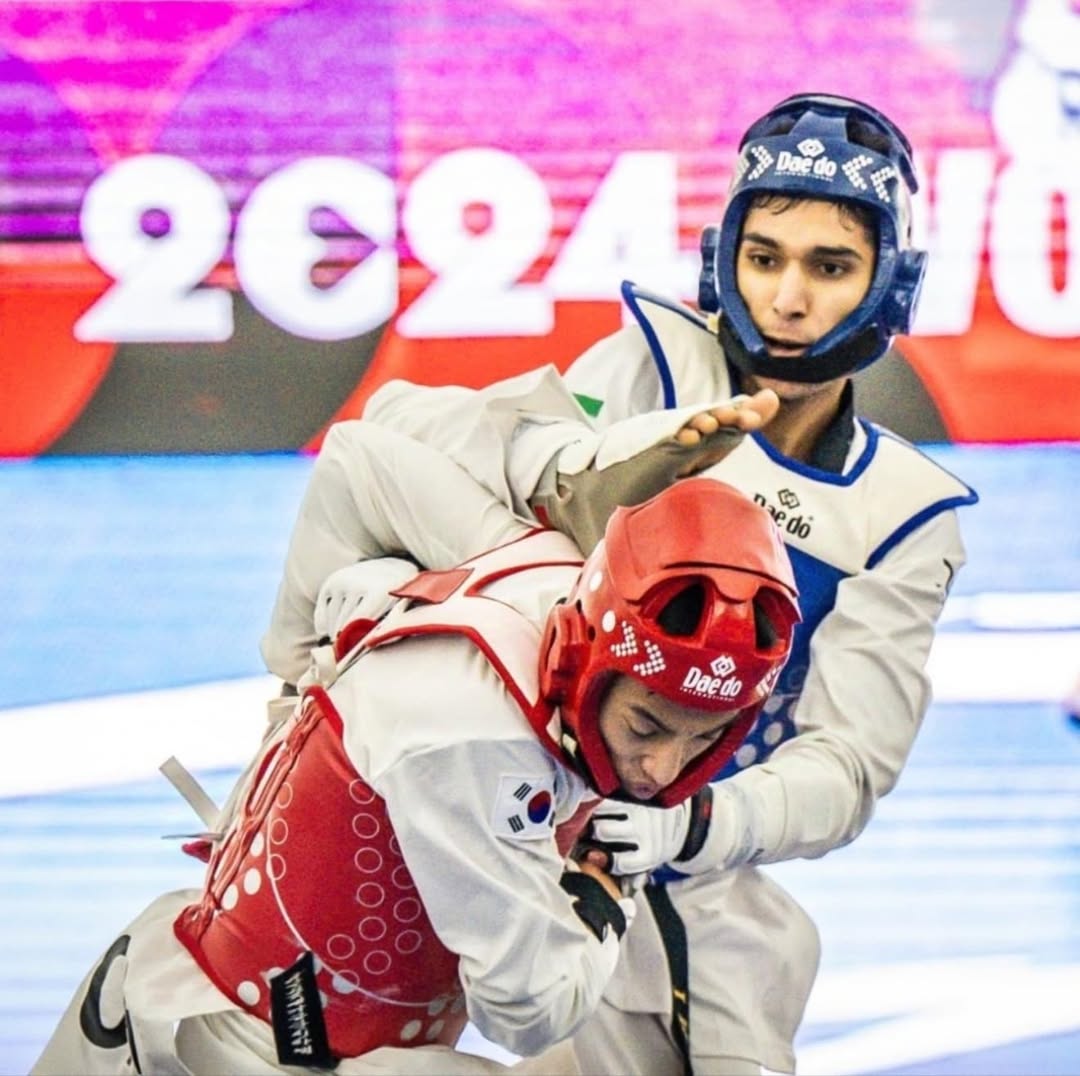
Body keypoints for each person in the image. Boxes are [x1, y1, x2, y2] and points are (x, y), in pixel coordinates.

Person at [342, 93, 980, 1074]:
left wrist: (694, 823)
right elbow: (435, 449)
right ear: (724, 259)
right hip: (504, 811)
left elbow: (848, 768)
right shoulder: (645, 369)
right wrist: (381, 588)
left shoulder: (899, 513)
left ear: (890, 284)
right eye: (764, 257)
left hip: (696, 871)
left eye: (830, 266)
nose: (788, 298)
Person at [32, 421, 799, 1076]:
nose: (661, 770)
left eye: (705, 737)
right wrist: (606, 892)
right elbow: (528, 1012)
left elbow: (357, 461)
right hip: (243, 1051)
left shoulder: (545, 568)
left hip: (234, 1003)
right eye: (646, 728)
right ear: (586, 660)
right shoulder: (475, 744)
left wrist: (300, 667)